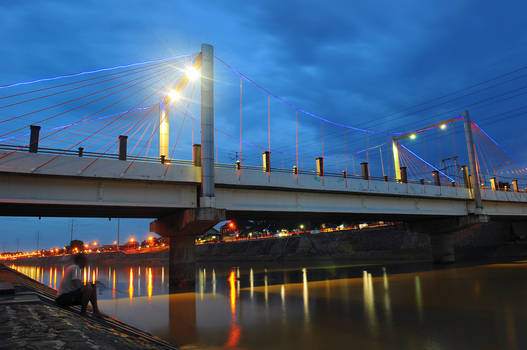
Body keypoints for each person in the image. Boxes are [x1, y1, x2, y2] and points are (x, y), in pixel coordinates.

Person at [56, 253, 102, 317]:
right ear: (80, 260)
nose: (86, 263)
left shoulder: (72, 267)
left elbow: (78, 284)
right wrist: (88, 284)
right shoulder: (75, 268)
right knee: (88, 287)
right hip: (63, 299)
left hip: (65, 297)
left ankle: (96, 311)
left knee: (92, 285)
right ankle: (83, 312)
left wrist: (91, 283)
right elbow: (78, 285)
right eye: (85, 261)